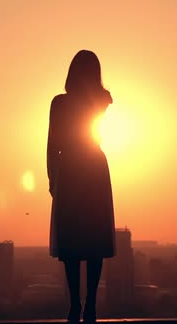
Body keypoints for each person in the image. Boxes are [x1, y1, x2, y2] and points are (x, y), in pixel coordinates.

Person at [47, 50, 116, 323]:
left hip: (73, 169)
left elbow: (53, 143)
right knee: (90, 240)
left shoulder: (62, 103)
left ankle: (78, 306)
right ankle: (88, 307)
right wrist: (54, 177)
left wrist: (53, 177)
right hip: (90, 168)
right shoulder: (99, 99)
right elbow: (54, 142)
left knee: (75, 242)